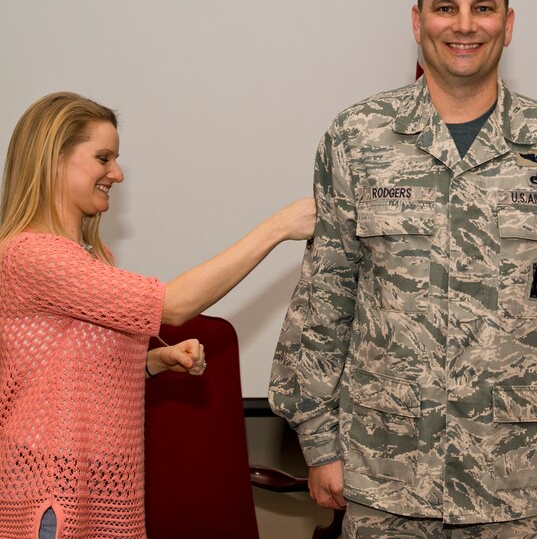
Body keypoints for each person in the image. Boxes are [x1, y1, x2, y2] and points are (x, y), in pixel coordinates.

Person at [268, 0, 537, 536]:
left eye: (482, 8)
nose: (464, 25)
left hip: (518, 483)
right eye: (445, 7)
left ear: (508, 24)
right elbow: (325, 297)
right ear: (417, 22)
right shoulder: (357, 138)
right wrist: (317, 439)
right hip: (384, 477)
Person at [0, 91, 315, 539]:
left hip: (99, 491)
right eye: (103, 158)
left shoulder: (91, 255)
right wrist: (277, 228)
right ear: (53, 160)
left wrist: (152, 363)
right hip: (54, 494)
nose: (118, 173)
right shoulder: (33, 256)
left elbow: (69, 367)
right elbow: (174, 305)